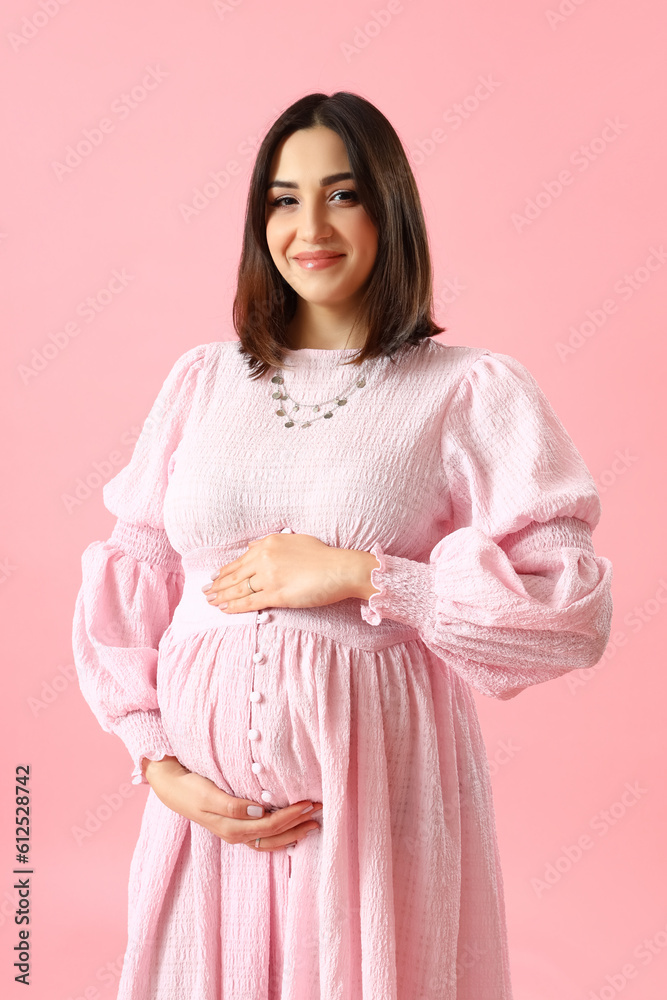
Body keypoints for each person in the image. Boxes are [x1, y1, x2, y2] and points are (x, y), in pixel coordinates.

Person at [71, 91, 613, 1000]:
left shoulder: (468, 388)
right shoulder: (202, 379)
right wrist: (160, 765)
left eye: (342, 194)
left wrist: (363, 576)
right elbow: (139, 574)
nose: (308, 226)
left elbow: (568, 609)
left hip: (375, 818)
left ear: (389, 207)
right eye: (282, 199)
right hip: (204, 831)